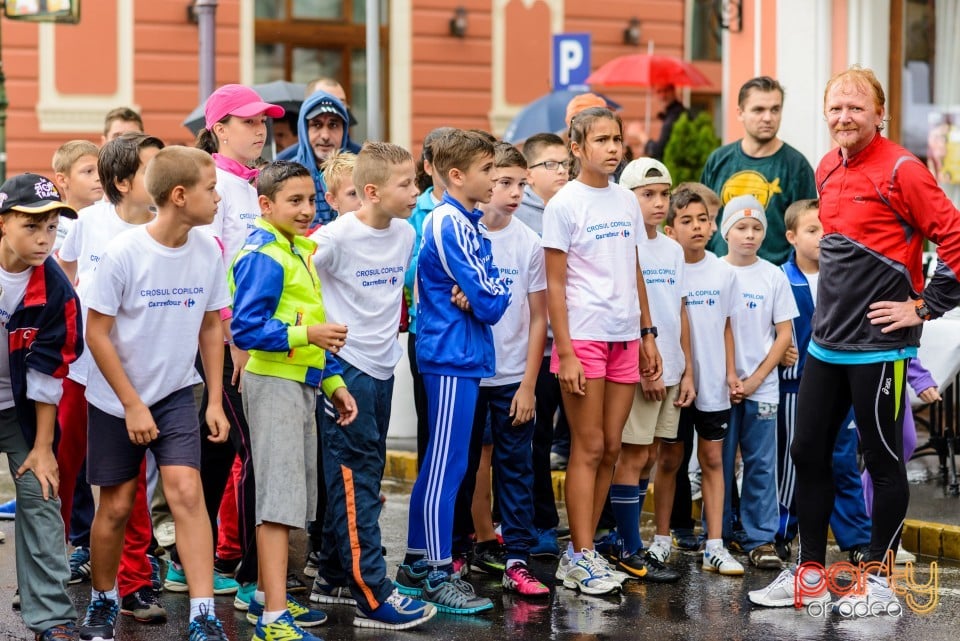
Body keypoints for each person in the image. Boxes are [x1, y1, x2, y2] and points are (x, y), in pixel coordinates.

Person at [749, 66, 960, 613]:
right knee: (808, 451)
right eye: (836, 107)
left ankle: (879, 583)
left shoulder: (903, 169)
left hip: (881, 350)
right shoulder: (826, 167)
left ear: (879, 113)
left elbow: (955, 238)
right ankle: (810, 573)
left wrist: (924, 306)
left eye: (856, 107)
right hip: (826, 343)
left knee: (882, 462)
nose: (844, 116)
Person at [79, 146, 233, 641]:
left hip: (174, 393)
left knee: (187, 493)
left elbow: (212, 326)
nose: (218, 198)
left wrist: (212, 398)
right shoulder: (126, 253)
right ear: (180, 195)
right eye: (211, 189)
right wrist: (131, 404)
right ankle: (104, 600)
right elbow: (96, 334)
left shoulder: (208, 249)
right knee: (119, 506)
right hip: (115, 397)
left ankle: (203, 613)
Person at [308, 143, 437, 628]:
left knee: (366, 474)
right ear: (370, 191)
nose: (415, 191)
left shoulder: (405, 233)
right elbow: (296, 283)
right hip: (348, 373)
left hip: (384, 371)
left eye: (414, 181)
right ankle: (372, 595)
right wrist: (320, 346)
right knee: (355, 481)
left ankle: (337, 576)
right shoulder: (335, 238)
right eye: (405, 184)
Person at [229, 160, 356, 640]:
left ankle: (268, 595)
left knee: (293, 501)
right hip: (274, 386)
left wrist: (333, 385)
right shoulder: (265, 253)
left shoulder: (296, 248)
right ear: (266, 205)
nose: (307, 210)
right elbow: (245, 328)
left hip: (299, 383)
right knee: (279, 504)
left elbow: (309, 328)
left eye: (310, 199)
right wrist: (310, 333)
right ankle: (273, 619)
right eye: (294, 201)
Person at [544, 106, 661, 596]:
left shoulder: (625, 201)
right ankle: (579, 555)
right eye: (601, 140)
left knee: (612, 447)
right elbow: (553, 284)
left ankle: (583, 553)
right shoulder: (565, 205)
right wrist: (566, 351)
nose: (613, 148)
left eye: (617, 139)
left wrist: (648, 333)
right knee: (587, 447)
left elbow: (634, 266)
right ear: (576, 148)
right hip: (584, 337)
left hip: (624, 338)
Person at [57, 134, 171, 624]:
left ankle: (135, 583)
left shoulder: (162, 228)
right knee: (63, 470)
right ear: (123, 182)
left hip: (135, 374)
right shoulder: (87, 223)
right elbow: (64, 278)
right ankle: (51, 568)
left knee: (128, 486)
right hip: (81, 368)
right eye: (152, 168)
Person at [394, 129, 509, 614]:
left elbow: (488, 288)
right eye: (487, 170)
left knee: (446, 464)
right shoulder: (450, 222)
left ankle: (418, 563)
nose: (494, 178)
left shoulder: (466, 219)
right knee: (447, 467)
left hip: (460, 353)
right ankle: (439, 572)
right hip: (449, 355)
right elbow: (492, 298)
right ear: (457, 175)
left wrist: (486, 290)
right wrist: (486, 293)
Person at [194, 83, 287, 605]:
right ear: (220, 129)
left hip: (255, 338)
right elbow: (215, 265)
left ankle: (201, 561)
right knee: (250, 453)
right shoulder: (218, 184)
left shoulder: (249, 185)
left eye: (264, 121)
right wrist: (233, 338)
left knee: (222, 451)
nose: (261, 130)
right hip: (231, 342)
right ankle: (255, 578)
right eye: (249, 121)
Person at [450, 142, 550, 596]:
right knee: (463, 468)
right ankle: (453, 555)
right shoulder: (461, 233)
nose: (513, 193)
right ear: (484, 182)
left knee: (516, 470)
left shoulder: (528, 241)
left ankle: (518, 561)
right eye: (504, 182)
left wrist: (528, 384)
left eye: (521, 184)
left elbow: (538, 318)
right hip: (468, 374)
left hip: (512, 378)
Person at [0, 173, 82, 640]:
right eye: (32, 226)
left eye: (51, 227)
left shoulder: (55, 289)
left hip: (20, 408)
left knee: (41, 494)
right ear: (4, 222)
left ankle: (51, 617)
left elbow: (50, 373)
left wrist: (45, 447)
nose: (43, 239)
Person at [606, 158, 692, 583]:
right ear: (628, 197)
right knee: (633, 454)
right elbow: (631, 309)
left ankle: (625, 538)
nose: (659, 203)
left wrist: (685, 369)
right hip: (642, 365)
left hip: (672, 368)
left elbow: (678, 309)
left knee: (653, 456)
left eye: (664, 194)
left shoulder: (674, 249)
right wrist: (645, 359)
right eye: (648, 195)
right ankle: (626, 545)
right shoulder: (626, 246)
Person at [773, 198, 871, 564]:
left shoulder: (844, 275)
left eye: (827, 230)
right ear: (792, 236)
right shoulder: (779, 277)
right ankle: (783, 531)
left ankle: (858, 539)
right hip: (794, 386)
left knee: (843, 461)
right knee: (794, 462)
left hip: (839, 387)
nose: (821, 238)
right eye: (813, 230)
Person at [656, 187, 744, 577]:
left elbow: (726, 327)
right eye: (686, 220)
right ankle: (660, 540)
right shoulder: (668, 267)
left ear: (713, 226)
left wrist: (728, 373)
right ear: (671, 229)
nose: (697, 227)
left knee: (712, 459)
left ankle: (714, 544)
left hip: (713, 386)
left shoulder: (725, 272)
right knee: (670, 459)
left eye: (703, 219)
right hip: (677, 380)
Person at [718, 195, 797, 570]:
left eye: (757, 229)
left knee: (761, 464)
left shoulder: (774, 275)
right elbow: (714, 330)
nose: (749, 235)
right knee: (716, 462)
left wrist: (756, 380)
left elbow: (784, 336)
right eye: (741, 227)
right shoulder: (715, 271)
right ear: (726, 231)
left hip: (762, 389)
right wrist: (730, 377)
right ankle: (717, 535)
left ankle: (761, 538)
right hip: (719, 388)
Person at [515, 132, 570, 557]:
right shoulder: (521, 217)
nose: (561, 171)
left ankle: (601, 527)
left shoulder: (575, 208)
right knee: (535, 439)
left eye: (565, 163)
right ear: (529, 172)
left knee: (591, 440)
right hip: (536, 348)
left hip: (578, 341)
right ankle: (538, 523)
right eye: (550, 164)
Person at [701, 76, 816, 265]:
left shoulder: (797, 166)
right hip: (720, 271)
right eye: (758, 110)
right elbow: (703, 218)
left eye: (775, 109)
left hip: (775, 278)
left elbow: (806, 230)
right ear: (740, 113)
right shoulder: (718, 160)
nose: (768, 118)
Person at [404, 127, 454, 470]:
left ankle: (464, 517)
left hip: (466, 330)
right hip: (425, 330)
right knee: (430, 425)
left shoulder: (475, 208)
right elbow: (405, 273)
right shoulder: (413, 212)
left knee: (464, 432)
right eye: (444, 163)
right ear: (427, 167)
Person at [290, 91, 353, 226]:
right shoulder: (285, 177)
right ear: (304, 130)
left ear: (345, 130)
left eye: (333, 125)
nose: (325, 135)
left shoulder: (360, 176)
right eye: (317, 125)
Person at [51, 140, 103, 251]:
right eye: (89, 171)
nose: (99, 177)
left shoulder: (112, 217)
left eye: (101, 171)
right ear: (62, 180)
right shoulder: (53, 227)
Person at [632, 85, 688, 161]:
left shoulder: (674, 115)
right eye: (659, 91)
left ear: (673, 91)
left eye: (666, 90)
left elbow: (659, 151)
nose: (663, 95)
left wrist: (641, 135)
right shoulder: (672, 114)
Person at [319, 151, 361, 218]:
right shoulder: (331, 228)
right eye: (353, 193)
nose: (363, 201)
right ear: (333, 200)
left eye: (367, 192)